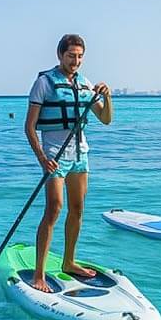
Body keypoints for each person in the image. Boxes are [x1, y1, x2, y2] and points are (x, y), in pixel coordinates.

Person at [24, 34, 112, 292]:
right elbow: (29, 127)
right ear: (60, 55)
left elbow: (106, 119)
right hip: (54, 155)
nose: (75, 61)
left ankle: (69, 261)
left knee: (77, 208)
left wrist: (108, 97)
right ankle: (39, 274)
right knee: (54, 209)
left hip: (80, 155)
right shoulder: (44, 83)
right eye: (71, 55)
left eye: (80, 56)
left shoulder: (85, 84)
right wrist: (42, 158)